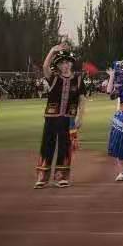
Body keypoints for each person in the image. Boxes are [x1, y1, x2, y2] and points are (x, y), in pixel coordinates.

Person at [36, 44, 85, 189]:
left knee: (65, 146)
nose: (65, 65)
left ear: (71, 64)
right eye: (62, 63)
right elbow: (45, 66)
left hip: (68, 118)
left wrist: (80, 117)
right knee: (47, 145)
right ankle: (42, 176)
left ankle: (61, 176)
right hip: (52, 117)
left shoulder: (78, 79)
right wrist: (52, 51)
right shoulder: (53, 78)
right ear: (58, 65)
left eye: (67, 62)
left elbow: (82, 99)